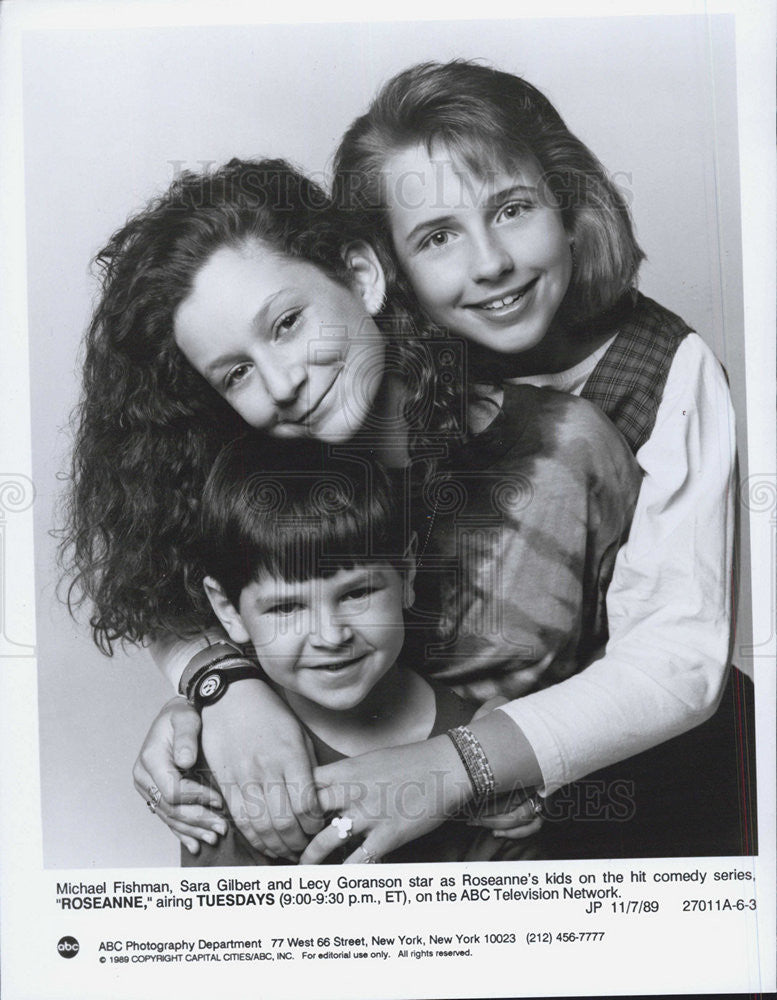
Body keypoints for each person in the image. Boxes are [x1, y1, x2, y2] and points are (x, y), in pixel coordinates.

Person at [146, 61, 752, 861]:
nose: (490, 264)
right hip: (422, 794)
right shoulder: (328, 380)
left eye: (513, 209)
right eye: (436, 236)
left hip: (639, 796)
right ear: (381, 264)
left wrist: (459, 764)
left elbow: (674, 658)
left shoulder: (659, 372)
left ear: (570, 206)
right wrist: (220, 685)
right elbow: (191, 562)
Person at [64, 157, 641, 863]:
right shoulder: (255, 485)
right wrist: (220, 689)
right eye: (236, 372)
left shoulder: (567, 450)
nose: (281, 382)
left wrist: (498, 760)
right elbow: (185, 598)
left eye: (285, 323)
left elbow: (658, 667)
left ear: (361, 278)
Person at [183, 435, 544, 865]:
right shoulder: (234, 759)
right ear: (228, 609)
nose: (331, 636)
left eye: (357, 594)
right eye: (286, 606)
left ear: (406, 574)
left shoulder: (486, 750)